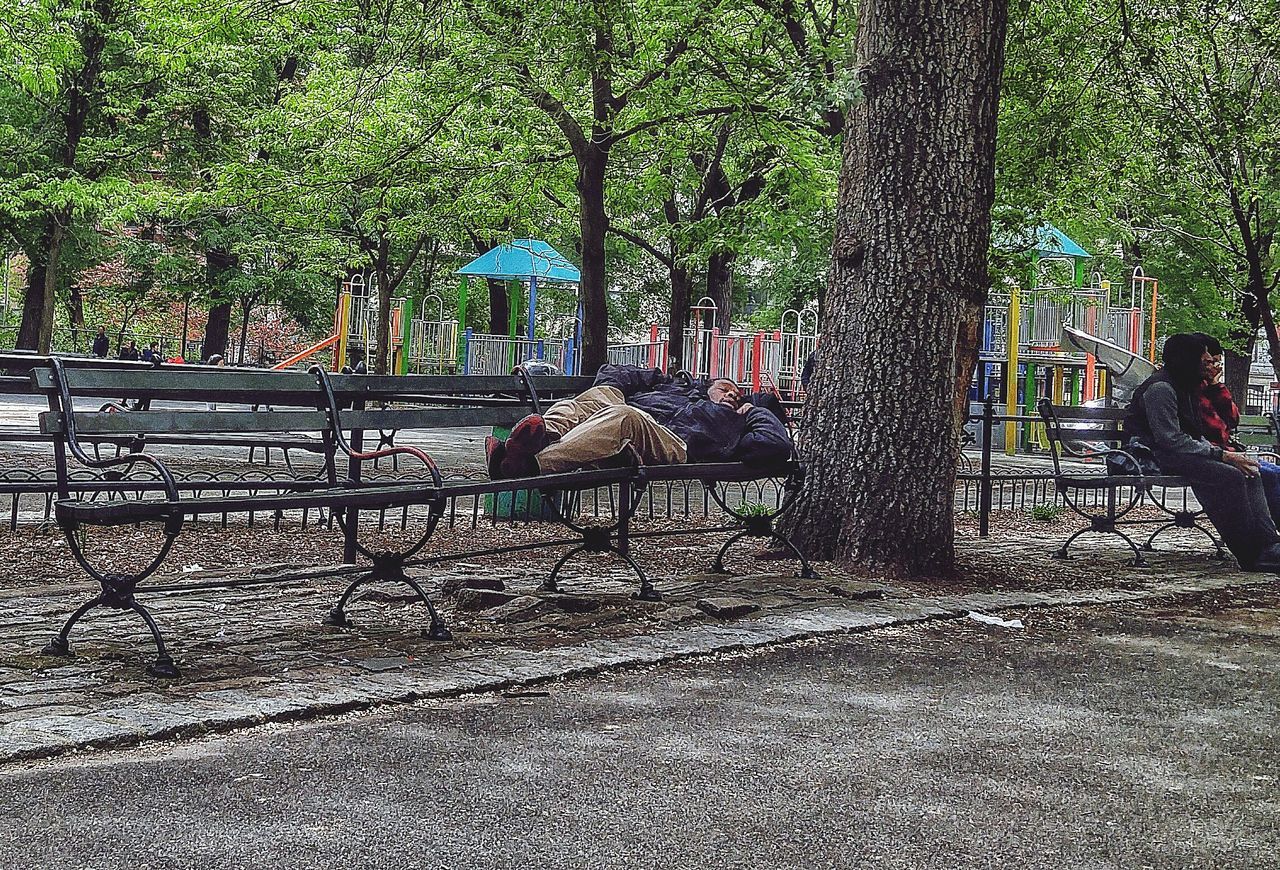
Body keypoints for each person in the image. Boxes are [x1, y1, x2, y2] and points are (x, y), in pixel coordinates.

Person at [1125, 332, 1280, 571]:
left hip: (1180, 452)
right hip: (1157, 456)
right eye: (1204, 361)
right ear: (1188, 361)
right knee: (1229, 476)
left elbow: (1206, 430)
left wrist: (1224, 454)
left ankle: (1270, 545)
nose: (1210, 365)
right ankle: (1250, 553)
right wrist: (1222, 455)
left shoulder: (1183, 386)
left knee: (1250, 471)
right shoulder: (1161, 388)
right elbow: (1170, 440)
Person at [485, 365, 792, 479]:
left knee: (624, 416)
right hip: (619, 430)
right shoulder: (674, 387)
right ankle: (541, 436)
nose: (731, 396)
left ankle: (528, 465)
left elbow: (773, 446)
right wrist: (654, 380)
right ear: (709, 383)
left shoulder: (735, 420)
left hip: (674, 445)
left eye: (738, 396)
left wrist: (752, 410)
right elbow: (612, 372)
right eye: (726, 388)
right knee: (602, 394)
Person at [1190, 333, 1280, 525]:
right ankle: (1266, 532)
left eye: (1217, 362)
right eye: (1211, 362)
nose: (1215, 367)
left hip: (1225, 451)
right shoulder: (1191, 390)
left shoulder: (1210, 387)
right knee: (1267, 474)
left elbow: (1232, 419)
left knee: (1275, 472)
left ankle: (1270, 530)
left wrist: (1215, 385)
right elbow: (1211, 429)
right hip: (1214, 453)